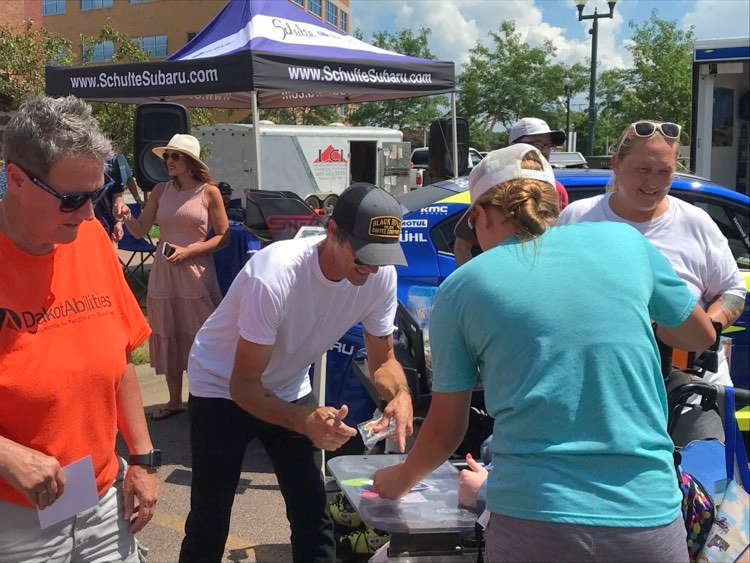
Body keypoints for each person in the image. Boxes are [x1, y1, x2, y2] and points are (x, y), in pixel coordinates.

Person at [372, 144, 716, 562]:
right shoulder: (626, 242)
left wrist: (399, 480)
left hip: (533, 516)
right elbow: (699, 335)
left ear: (480, 216)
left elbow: (446, 430)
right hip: (645, 512)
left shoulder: (462, 288)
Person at [179, 182, 415, 563]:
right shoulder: (275, 274)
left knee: (312, 511)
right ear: (333, 232)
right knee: (211, 516)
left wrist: (400, 396)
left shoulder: (379, 275)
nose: (372, 268)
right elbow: (244, 386)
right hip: (221, 385)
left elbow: (383, 361)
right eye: (365, 254)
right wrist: (305, 420)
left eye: (383, 256)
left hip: (287, 385)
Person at [0, 95, 159, 561]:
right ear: (16, 180)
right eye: (73, 199)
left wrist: (145, 459)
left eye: (97, 192)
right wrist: (6, 456)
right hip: (15, 517)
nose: (91, 213)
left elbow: (121, 353)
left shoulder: (87, 237)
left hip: (100, 498)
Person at [558, 120, 747, 445]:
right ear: (616, 164)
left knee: (703, 490)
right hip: (603, 395)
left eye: (664, 172)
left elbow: (733, 292)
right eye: (643, 170)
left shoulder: (695, 222)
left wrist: (701, 335)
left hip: (691, 395)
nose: (653, 183)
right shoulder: (578, 219)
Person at [117, 134, 229, 421]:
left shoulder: (209, 192)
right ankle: (174, 400)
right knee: (169, 332)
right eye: (166, 156)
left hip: (196, 271)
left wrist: (191, 250)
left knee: (201, 335)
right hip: (165, 270)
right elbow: (141, 230)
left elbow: (223, 236)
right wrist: (127, 215)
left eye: (174, 156)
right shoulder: (159, 190)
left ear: (190, 162)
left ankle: (207, 398)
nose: (168, 161)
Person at [454, 117, 569, 267]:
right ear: (513, 145)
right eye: (535, 143)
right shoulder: (492, 184)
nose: (543, 150)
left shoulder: (558, 189)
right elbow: (462, 246)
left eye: (547, 144)